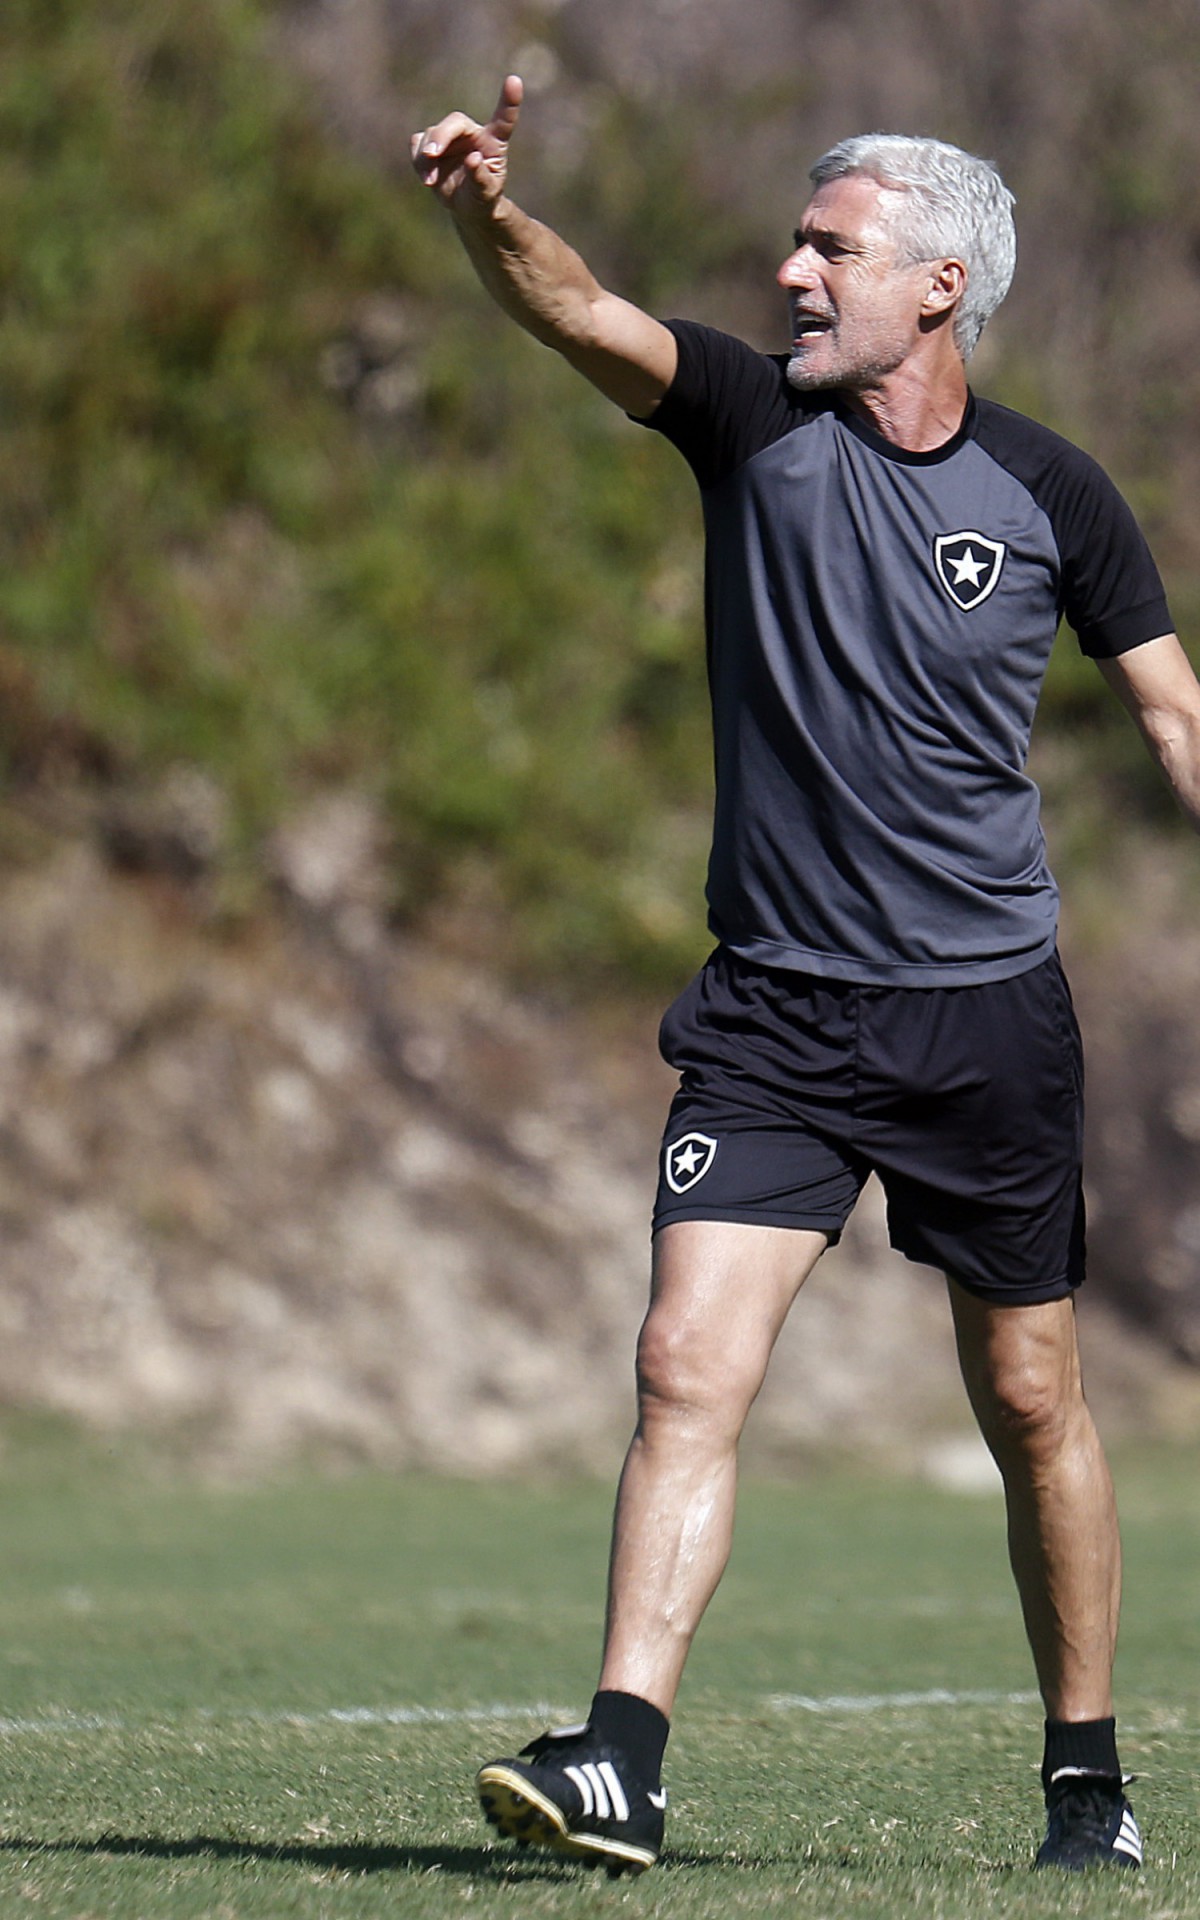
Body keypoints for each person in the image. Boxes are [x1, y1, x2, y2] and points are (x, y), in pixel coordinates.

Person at [412, 75, 1200, 1877]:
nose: (789, 272)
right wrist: (482, 212)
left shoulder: (1057, 491)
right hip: (775, 1007)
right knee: (686, 1361)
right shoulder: (751, 421)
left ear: (939, 284)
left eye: (828, 248)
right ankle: (621, 1757)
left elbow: (1167, 706)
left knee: (1027, 1400)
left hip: (988, 1014)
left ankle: (1088, 1779)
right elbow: (579, 307)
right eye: (796, 241)